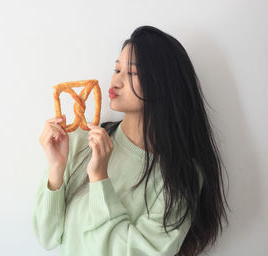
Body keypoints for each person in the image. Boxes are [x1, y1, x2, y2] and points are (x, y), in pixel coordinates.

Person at [32, 25, 230, 256]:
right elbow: (47, 237)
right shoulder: (79, 143)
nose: (115, 81)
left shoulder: (180, 176)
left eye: (132, 73)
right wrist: (56, 169)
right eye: (117, 69)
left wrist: (99, 179)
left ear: (163, 83)